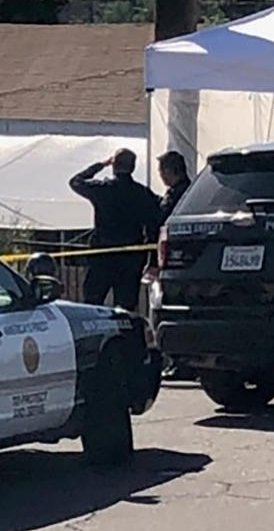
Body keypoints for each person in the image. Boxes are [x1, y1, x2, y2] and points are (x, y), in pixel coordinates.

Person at [68, 148, 161, 312]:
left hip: (102, 255)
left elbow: (76, 182)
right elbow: (154, 226)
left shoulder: (104, 189)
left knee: (92, 304)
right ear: (133, 167)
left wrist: (100, 165)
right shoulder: (141, 193)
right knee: (126, 308)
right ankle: (126, 336)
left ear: (113, 165)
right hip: (130, 258)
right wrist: (152, 259)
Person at [154, 150, 196, 381]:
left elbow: (161, 222)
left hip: (176, 263)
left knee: (172, 311)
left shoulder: (178, 196)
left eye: (162, 171)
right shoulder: (192, 192)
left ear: (170, 171)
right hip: (183, 262)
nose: (161, 176)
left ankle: (181, 363)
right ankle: (180, 362)